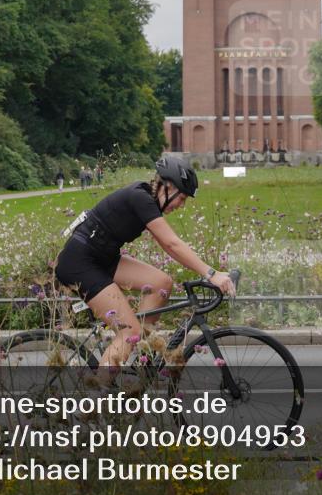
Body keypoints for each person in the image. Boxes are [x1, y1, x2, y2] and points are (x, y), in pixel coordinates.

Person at [54, 157, 235, 377]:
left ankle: (138, 352)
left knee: (162, 283)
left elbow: (169, 245)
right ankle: (94, 405)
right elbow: (171, 243)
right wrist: (211, 274)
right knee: (129, 331)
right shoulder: (140, 198)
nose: (181, 205)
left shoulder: (146, 199)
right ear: (167, 187)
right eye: (183, 198)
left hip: (102, 258)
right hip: (80, 262)